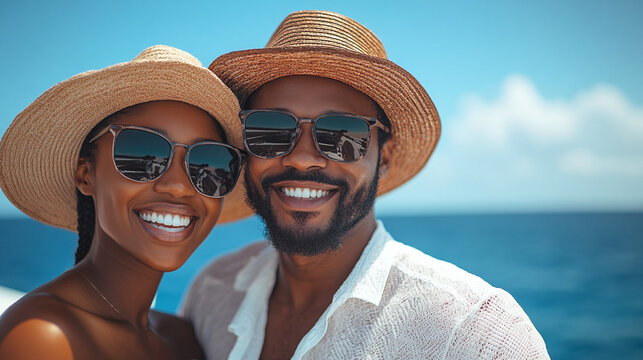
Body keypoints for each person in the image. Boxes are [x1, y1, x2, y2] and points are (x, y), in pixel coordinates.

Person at [181, 10, 550, 360]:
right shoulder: (211, 290)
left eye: (342, 134)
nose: (302, 157)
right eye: (270, 130)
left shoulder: (472, 332)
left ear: (384, 156)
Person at [0, 45, 251, 359]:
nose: (178, 186)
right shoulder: (43, 338)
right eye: (143, 153)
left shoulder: (183, 338)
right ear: (86, 175)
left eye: (209, 163)